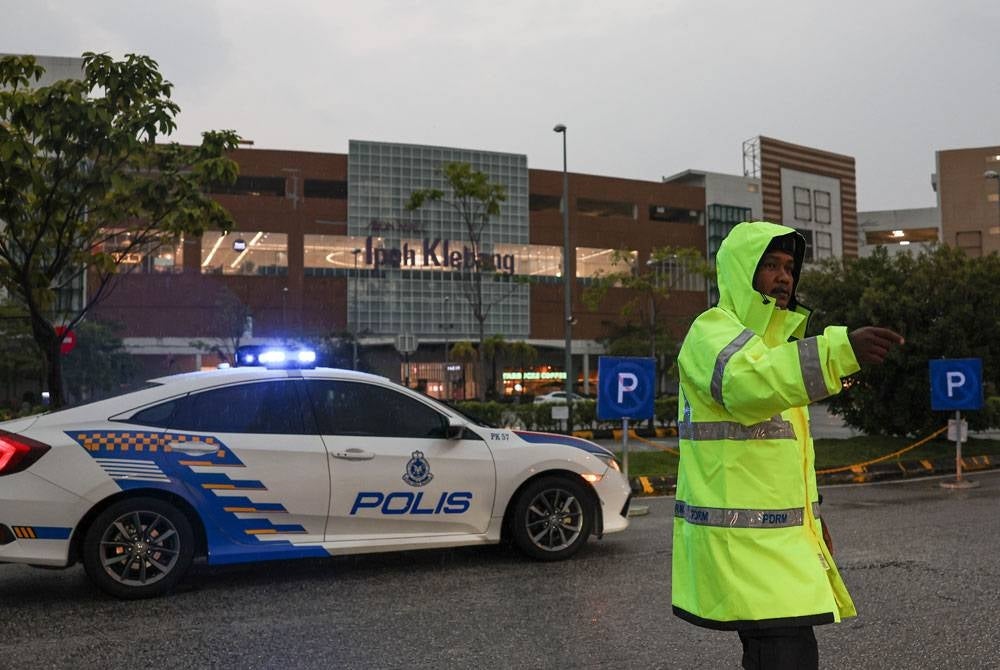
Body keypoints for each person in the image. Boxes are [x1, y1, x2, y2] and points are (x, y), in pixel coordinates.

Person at [671, 221, 904, 669]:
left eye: (789, 268)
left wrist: (814, 522)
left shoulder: (777, 345)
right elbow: (746, 385)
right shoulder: (712, 332)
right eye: (771, 266)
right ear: (742, 271)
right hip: (742, 548)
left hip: (777, 545)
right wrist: (839, 350)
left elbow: (785, 456)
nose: (784, 277)